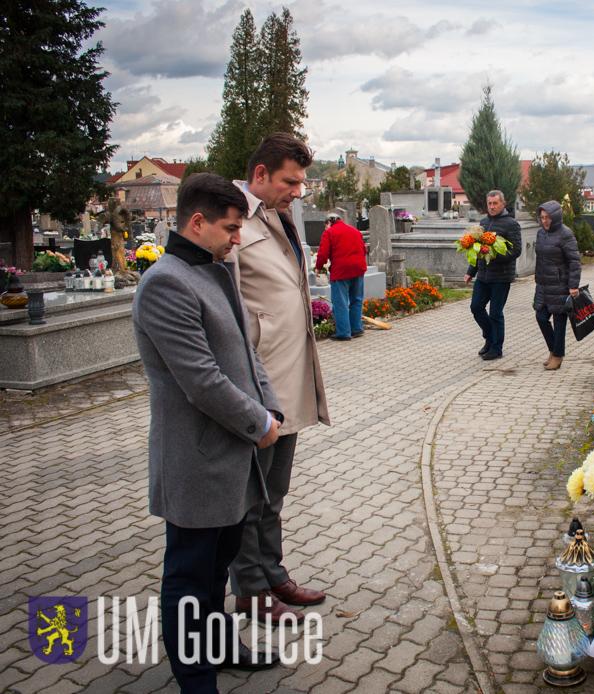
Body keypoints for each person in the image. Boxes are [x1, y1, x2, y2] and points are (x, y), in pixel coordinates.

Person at [133, 173, 283, 692]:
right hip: (197, 460)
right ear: (197, 223)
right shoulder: (166, 282)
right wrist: (258, 422)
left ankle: (217, 647)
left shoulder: (215, 269)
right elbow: (201, 380)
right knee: (190, 579)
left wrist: (272, 408)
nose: (238, 237)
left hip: (233, 455)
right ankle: (195, 678)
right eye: (230, 227)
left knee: (219, 569)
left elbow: (247, 353)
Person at [229, 133, 330, 623]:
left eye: (302, 182)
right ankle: (249, 589)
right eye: (291, 181)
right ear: (261, 175)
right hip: (256, 383)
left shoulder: (279, 216)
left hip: (289, 378)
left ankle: (273, 574)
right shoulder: (234, 221)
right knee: (250, 495)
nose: (298, 190)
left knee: (275, 491)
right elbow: (222, 309)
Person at [463, 190, 522, 360]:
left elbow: (516, 250)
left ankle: (496, 348)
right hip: (483, 276)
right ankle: (489, 338)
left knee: (496, 313)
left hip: (501, 277)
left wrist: (495, 254)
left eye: (495, 203)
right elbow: (477, 250)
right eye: (490, 203)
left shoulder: (511, 224)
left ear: (503, 204)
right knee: (476, 307)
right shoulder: (484, 222)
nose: (492, 206)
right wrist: (470, 272)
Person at [533, 200, 582, 371]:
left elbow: (574, 261)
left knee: (559, 321)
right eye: (542, 217)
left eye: (548, 217)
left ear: (555, 217)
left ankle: (558, 355)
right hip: (544, 284)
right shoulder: (540, 234)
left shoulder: (565, 234)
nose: (544, 221)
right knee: (540, 317)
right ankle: (553, 350)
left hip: (561, 284)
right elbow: (539, 259)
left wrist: (573, 285)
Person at [315, 212, 367, 341]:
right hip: (358, 269)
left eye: (325, 225)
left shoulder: (329, 232)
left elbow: (322, 253)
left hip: (341, 271)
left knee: (340, 302)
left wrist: (319, 266)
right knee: (356, 300)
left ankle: (343, 333)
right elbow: (364, 249)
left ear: (328, 222)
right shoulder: (355, 231)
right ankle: (356, 329)